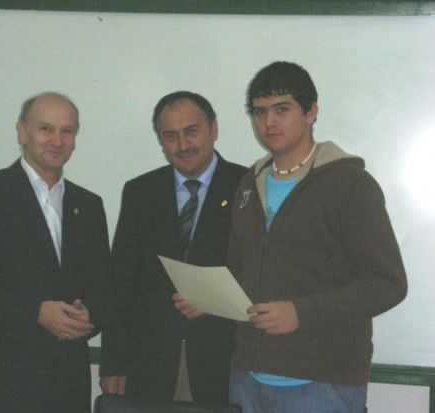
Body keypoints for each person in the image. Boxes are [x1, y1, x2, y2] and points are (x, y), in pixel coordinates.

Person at [174, 62, 407, 413]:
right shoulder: (249, 185)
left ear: (311, 112)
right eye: (259, 112)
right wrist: (208, 300)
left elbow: (387, 283)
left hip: (322, 385)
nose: (269, 122)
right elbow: (242, 272)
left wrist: (302, 312)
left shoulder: (349, 184)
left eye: (282, 109)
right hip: (247, 377)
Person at [0, 92, 111, 413]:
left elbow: (103, 286)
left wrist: (90, 316)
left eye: (67, 131)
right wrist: (35, 313)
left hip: (66, 390)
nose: (57, 140)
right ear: (22, 131)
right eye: (46, 129)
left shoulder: (88, 205)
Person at [99, 91, 247, 403]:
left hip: (226, 359)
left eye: (192, 131)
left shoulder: (247, 187)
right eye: (171, 136)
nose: (183, 145)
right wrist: (113, 362)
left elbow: (260, 272)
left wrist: (214, 301)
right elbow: (121, 282)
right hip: (150, 363)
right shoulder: (140, 191)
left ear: (214, 130)